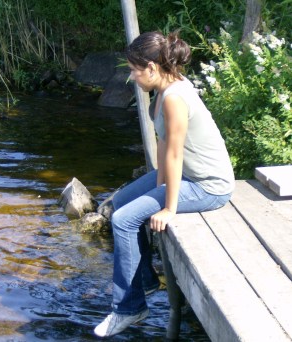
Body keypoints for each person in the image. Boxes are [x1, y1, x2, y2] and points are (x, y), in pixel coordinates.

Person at [94, 31, 235, 338]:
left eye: (134, 69)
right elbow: (162, 144)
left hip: (208, 186)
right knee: (120, 202)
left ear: (152, 68)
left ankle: (129, 309)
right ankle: (145, 281)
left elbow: (174, 153)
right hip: (186, 176)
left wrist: (167, 207)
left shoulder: (175, 98)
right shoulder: (164, 89)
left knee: (123, 219)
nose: (132, 76)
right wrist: (157, 189)